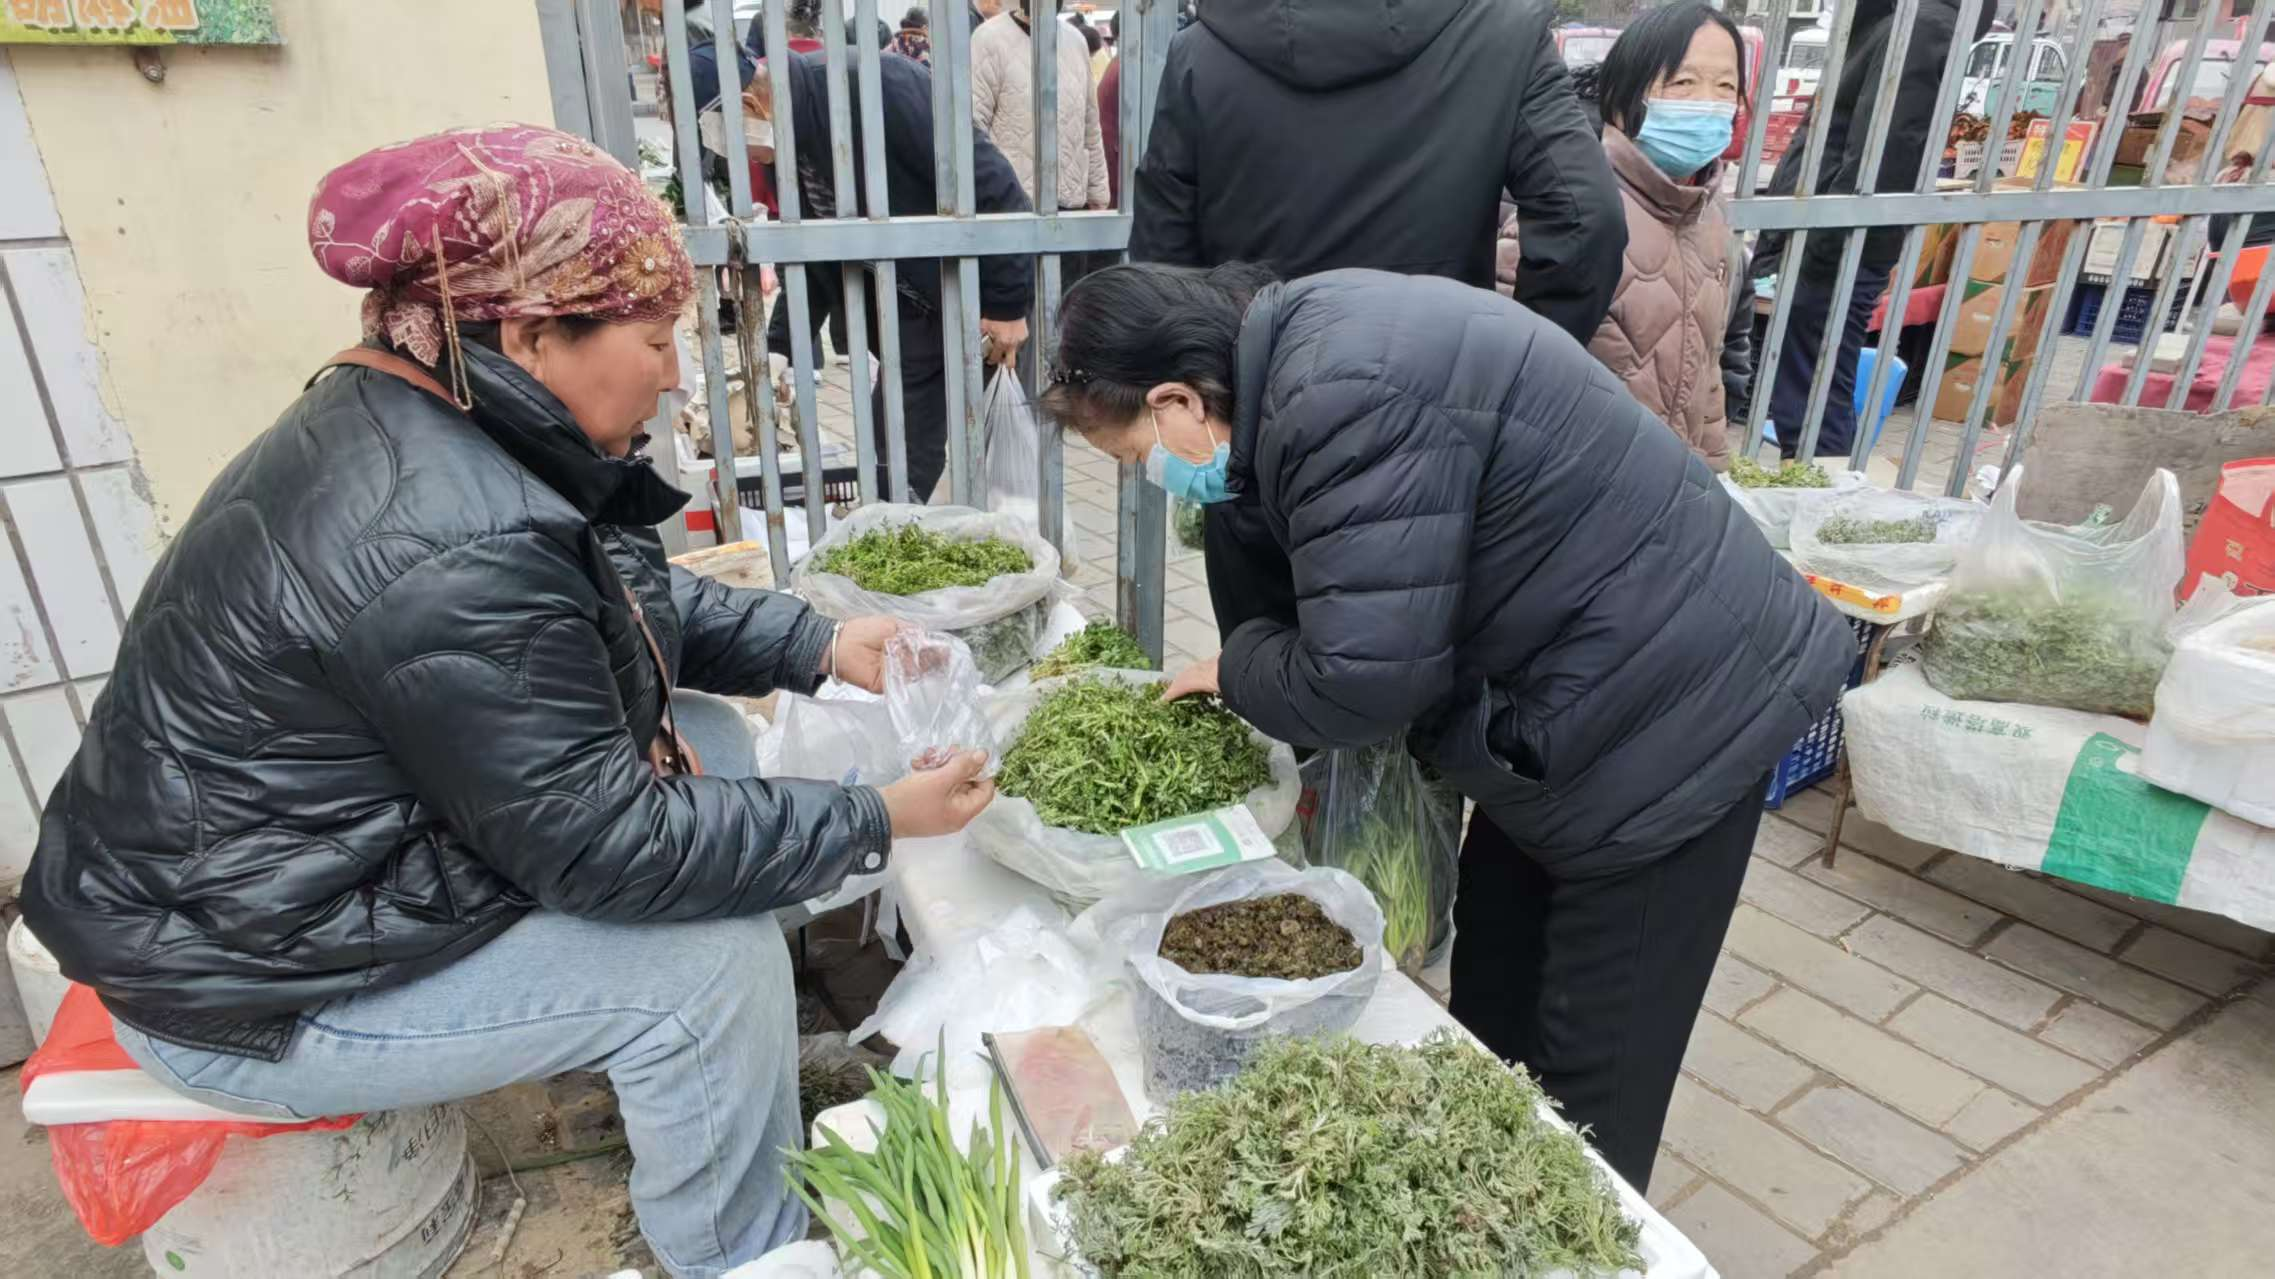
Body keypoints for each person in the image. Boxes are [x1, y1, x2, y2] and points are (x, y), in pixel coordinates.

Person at [18, 126, 999, 1279]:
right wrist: (878, 819)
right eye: (655, 336)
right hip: (243, 982)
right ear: (535, 336)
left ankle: (718, 1091)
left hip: (285, 891)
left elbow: (618, 603)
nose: (677, 369)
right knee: (703, 969)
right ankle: (746, 1251)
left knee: (722, 742)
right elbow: (608, 849)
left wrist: (823, 642)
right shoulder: (448, 534)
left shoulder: (445, 416)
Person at [1038, 261, 1853, 1188]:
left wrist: (1239, 663)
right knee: (1498, 982)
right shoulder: (1305, 350)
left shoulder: (1338, 396)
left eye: (1138, 457)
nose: (1153, 481)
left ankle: (1587, 1228)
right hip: (1573, 696)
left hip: (1680, 715)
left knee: (1595, 1054)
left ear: (1179, 398)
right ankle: (1487, 1199)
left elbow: (1365, 678)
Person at [1127, 0, 1624, 346]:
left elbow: (1162, 258)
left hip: (1258, 406)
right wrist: (1516, 364)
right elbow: (1587, 221)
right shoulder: (1505, 34)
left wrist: (1209, 390)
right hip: (1439, 397)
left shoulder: (1200, 52)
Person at [750, 48, 1034, 500]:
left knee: (997, 453)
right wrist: (782, 345)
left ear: (752, 106)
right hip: (904, 310)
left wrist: (1007, 304)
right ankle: (910, 543)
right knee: (896, 463)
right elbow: (810, 253)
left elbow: (997, 189)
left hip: (978, 303)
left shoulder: (877, 86)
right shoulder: (790, 148)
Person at [1754, 0, 1992, 458]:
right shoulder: (1886, 23)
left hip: (1838, 244)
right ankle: (1810, 490)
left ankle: (1817, 500)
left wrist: (1826, 250)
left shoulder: (1918, 25)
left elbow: (1886, 153)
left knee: (1815, 394)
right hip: (1823, 235)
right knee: (1805, 387)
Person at [1575, 2, 1755, 471]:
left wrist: (1711, 473)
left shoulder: (1711, 211)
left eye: (1725, 87)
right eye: (1682, 82)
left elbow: (1722, 356)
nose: (1707, 103)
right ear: (1624, 94)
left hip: (1681, 490)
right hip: (1581, 493)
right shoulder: (1569, 200)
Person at [972, 0, 1111, 218]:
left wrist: (1098, 195)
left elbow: (1090, 125)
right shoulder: (988, 39)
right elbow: (975, 129)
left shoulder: (1076, 42)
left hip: (1071, 206)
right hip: (1013, 209)